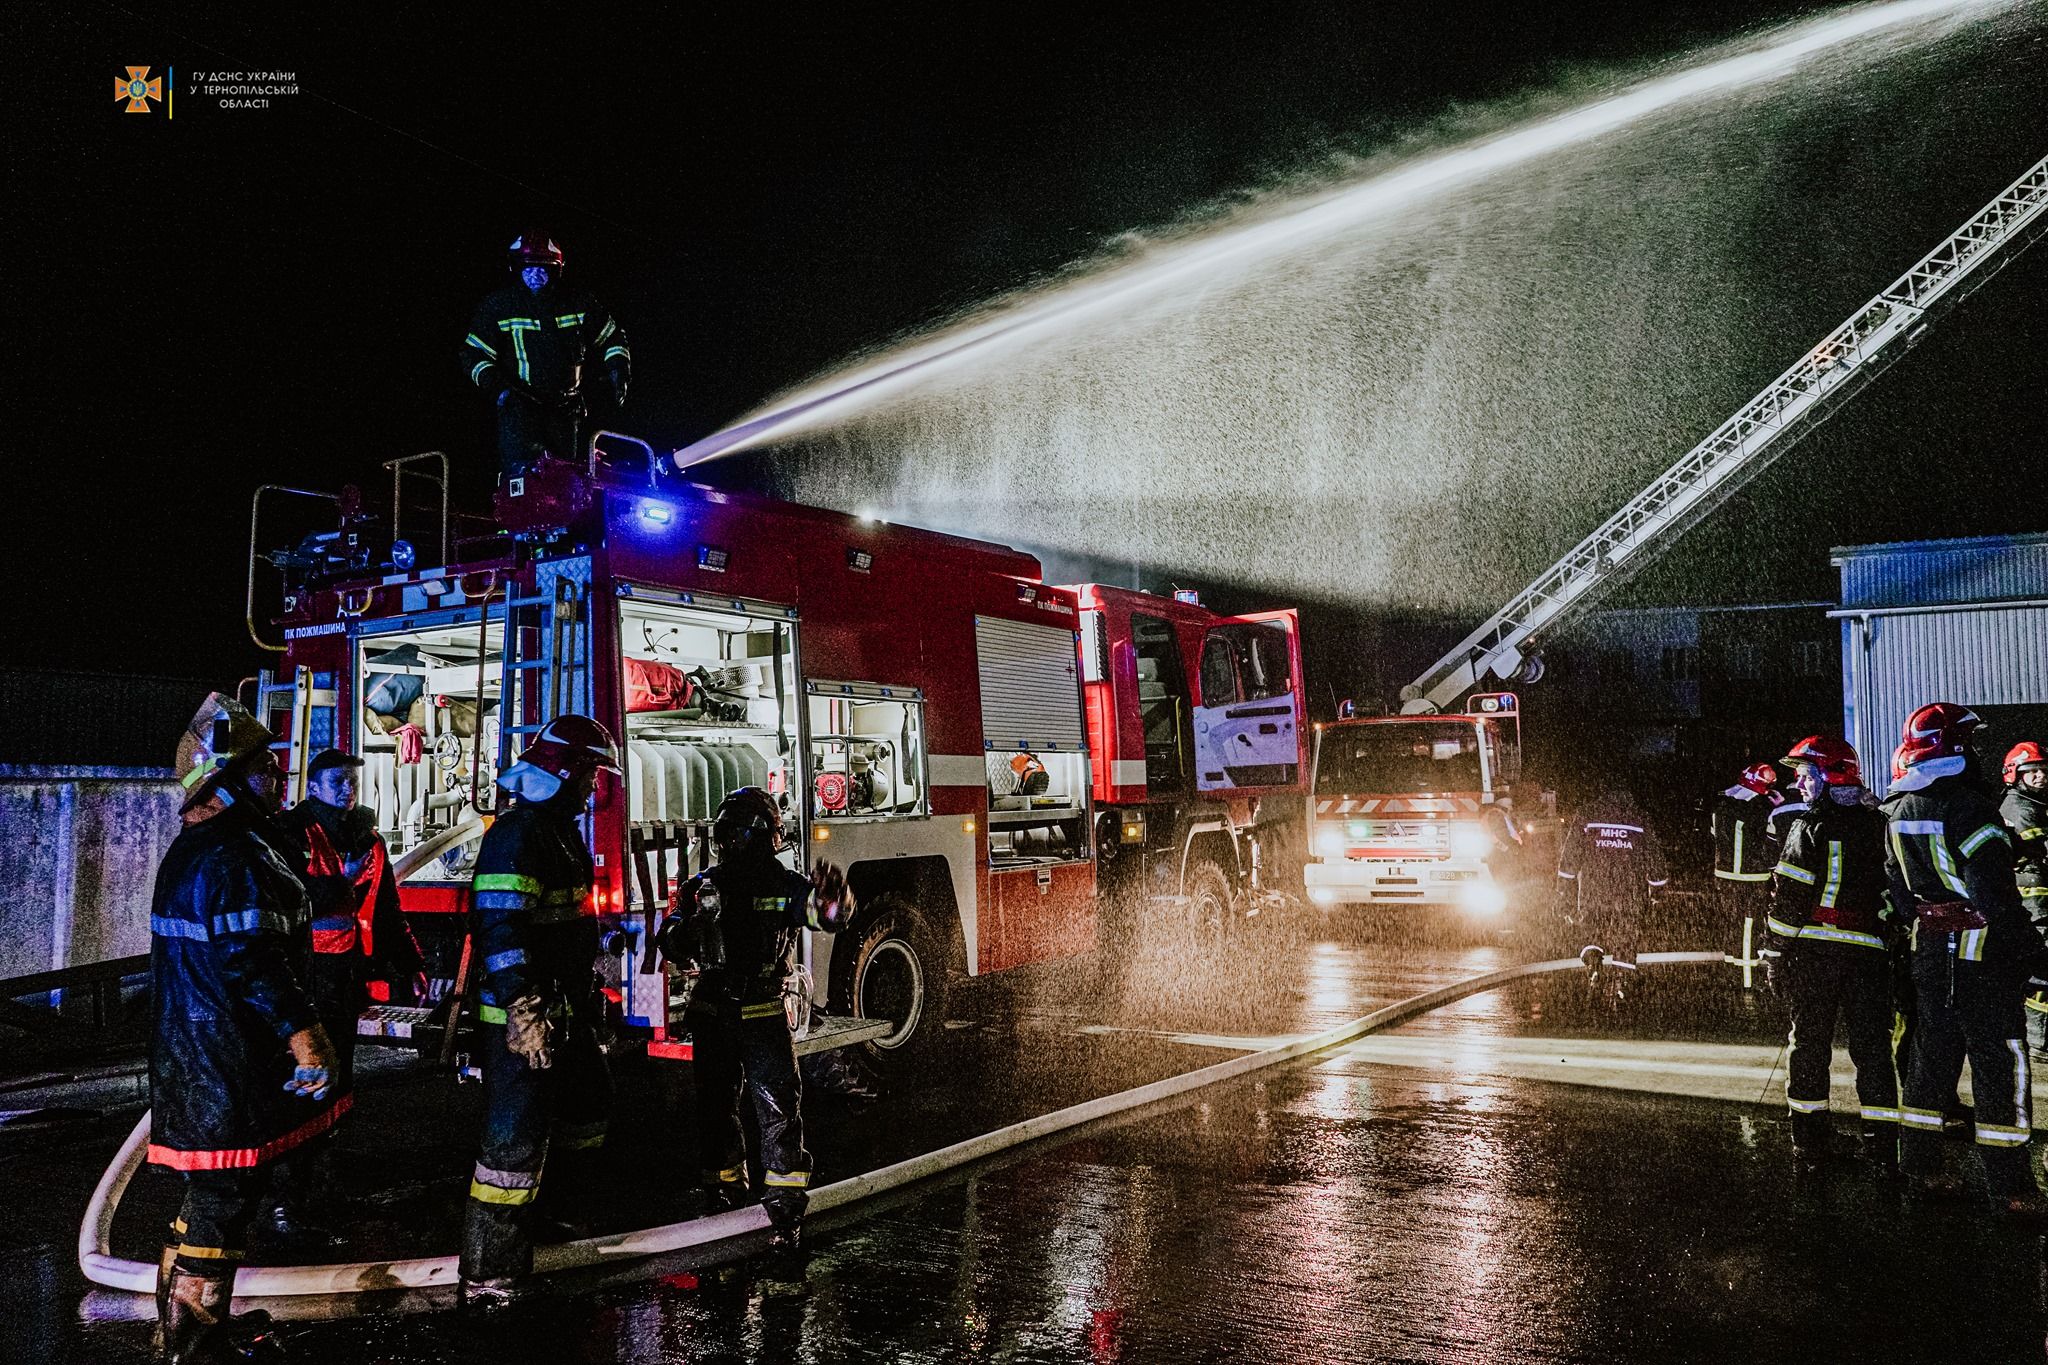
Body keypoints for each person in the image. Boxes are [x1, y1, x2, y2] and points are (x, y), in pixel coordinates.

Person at [149, 695, 339, 1362]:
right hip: (224, 1063)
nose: (279, 777)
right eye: (264, 768)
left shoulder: (198, 849)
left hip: (197, 1059)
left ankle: (179, 1324)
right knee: (222, 1199)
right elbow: (252, 957)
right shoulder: (234, 854)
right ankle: (197, 1343)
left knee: (208, 1195)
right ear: (226, 780)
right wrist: (304, 1033)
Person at [459, 715, 622, 1303]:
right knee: (512, 1147)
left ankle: (552, 1219)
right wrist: (523, 1011)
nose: (592, 788)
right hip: (522, 1020)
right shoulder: (519, 834)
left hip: (561, 1011)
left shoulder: (555, 829)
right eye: (590, 775)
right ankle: (489, 1277)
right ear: (566, 772)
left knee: (588, 1104)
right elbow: (500, 930)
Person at [658, 786, 853, 1251]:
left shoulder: (781, 885)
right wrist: (694, 929)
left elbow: (828, 917)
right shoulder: (704, 888)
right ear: (763, 835)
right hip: (730, 1010)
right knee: (739, 1106)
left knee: (756, 1106)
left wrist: (836, 899)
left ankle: (776, 1204)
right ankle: (741, 1194)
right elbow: (668, 942)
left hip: (750, 1010)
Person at [1884, 702, 2042, 1214]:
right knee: (2000, 1063)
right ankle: (2012, 1188)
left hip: (1930, 956)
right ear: (1955, 748)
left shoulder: (1900, 811)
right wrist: (2033, 954)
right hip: (1983, 961)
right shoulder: (1971, 808)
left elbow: (1902, 896)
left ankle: (1922, 1171)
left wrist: (1937, 918)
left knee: (1931, 1063)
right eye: (1970, 743)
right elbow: (1994, 896)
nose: (1976, 752)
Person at [270, 749, 426, 1245]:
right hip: (304, 983)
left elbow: (387, 910)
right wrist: (341, 880)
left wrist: (411, 963)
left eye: (352, 782)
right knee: (304, 1089)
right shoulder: (292, 834)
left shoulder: (368, 840)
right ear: (313, 787)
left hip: (344, 983)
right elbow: (286, 900)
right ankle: (284, 1206)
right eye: (337, 781)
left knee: (337, 1091)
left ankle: (322, 1191)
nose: (347, 790)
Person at [1758, 736, 1897, 1171]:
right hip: (1870, 956)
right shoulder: (1880, 824)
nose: (1799, 785)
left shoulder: (1809, 826)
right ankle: (1880, 1145)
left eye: (1805, 775)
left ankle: (1811, 1143)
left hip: (1815, 955)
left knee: (1810, 1045)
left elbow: (1788, 901)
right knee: (1873, 1050)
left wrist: (1775, 953)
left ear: (1828, 775)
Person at [462, 230, 632, 476]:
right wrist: (500, 390)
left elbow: (612, 337)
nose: (535, 276)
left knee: (567, 477)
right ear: (516, 269)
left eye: (543, 269)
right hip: (520, 408)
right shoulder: (499, 306)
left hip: (566, 409)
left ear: (556, 270)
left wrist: (618, 370)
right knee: (523, 477)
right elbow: (473, 353)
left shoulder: (577, 303)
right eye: (528, 269)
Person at [1553, 785, 1669, 999]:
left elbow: (1570, 856)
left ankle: (1594, 964)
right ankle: (1622, 982)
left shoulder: (1587, 814)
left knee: (1592, 930)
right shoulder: (1639, 818)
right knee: (1626, 936)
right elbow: (1654, 857)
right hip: (1629, 894)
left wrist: (1563, 891)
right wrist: (1658, 888)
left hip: (1593, 892)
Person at [1712, 761, 1782, 990]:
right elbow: (1771, 840)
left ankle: (1731, 973)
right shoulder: (1761, 809)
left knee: (1732, 925)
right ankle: (1747, 980)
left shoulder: (1722, 805)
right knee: (1749, 927)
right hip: (1752, 877)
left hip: (1724, 876)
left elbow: (1715, 835)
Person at [2001, 742, 2048, 1058]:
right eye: (2032, 771)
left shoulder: (2035, 804)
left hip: (2040, 898)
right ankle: (2038, 1040)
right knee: (2042, 966)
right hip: (2034, 902)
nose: (2041, 776)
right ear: (2015, 774)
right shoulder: (2019, 809)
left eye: (2044, 770)